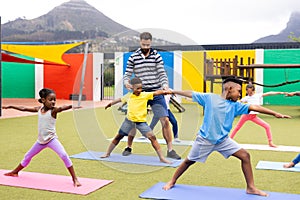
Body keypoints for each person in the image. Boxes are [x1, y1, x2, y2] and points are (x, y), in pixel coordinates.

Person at [162, 78, 291, 197]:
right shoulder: (210, 98)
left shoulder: (236, 105)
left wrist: (274, 113)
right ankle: (172, 181)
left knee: (245, 156)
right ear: (229, 89)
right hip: (204, 140)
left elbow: (254, 107)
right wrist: (172, 91)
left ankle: (251, 187)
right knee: (189, 161)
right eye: (238, 91)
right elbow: (191, 93)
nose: (240, 95)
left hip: (223, 140)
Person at [2, 88, 81, 187]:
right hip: (40, 142)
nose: (53, 102)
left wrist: (72, 106)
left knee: (64, 155)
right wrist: (11, 106)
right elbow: (24, 108)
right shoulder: (38, 110)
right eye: (50, 99)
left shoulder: (53, 111)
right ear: (43, 100)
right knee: (27, 156)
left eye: (54, 100)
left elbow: (62, 108)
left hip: (52, 140)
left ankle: (75, 179)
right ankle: (15, 172)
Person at [123, 31, 180, 159]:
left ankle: (170, 150)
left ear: (151, 43)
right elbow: (127, 74)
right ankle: (129, 147)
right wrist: (127, 82)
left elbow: (162, 73)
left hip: (156, 92)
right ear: (140, 42)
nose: (146, 47)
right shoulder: (133, 57)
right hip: (140, 92)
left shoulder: (156, 56)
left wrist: (165, 85)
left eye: (148, 45)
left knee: (165, 120)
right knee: (133, 121)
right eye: (143, 45)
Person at [101, 77, 171, 164]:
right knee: (118, 137)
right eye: (137, 88)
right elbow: (119, 99)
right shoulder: (128, 96)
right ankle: (107, 153)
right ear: (132, 87)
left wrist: (166, 91)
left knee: (153, 138)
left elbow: (156, 93)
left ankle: (161, 158)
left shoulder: (144, 95)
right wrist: (110, 104)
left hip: (141, 123)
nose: (140, 90)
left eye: (141, 88)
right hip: (128, 121)